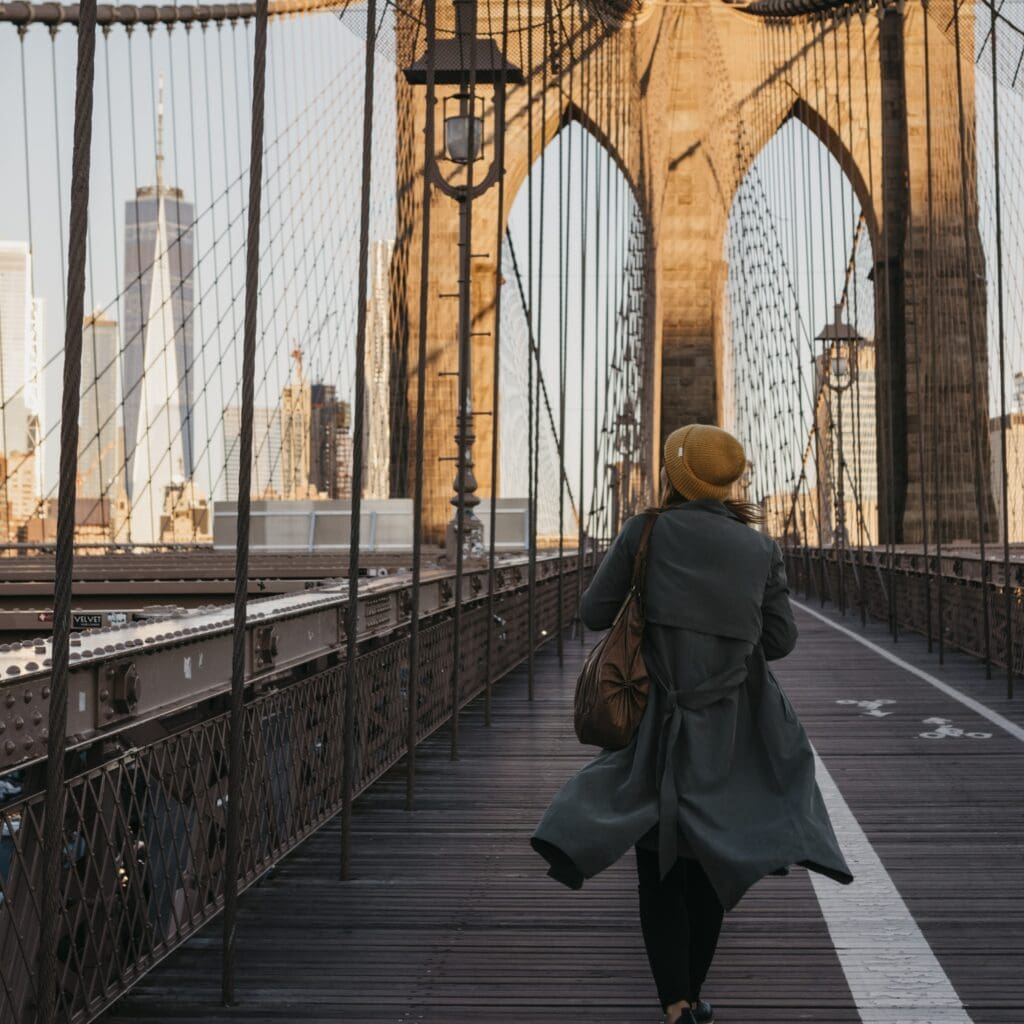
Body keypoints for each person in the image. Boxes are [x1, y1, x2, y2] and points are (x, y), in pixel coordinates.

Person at [530, 423, 853, 1024]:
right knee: (708, 869)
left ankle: (675, 1003)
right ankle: (690, 998)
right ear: (729, 483)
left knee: (658, 871)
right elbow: (780, 640)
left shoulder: (646, 531)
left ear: (675, 477)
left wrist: (652, 603)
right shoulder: (761, 549)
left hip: (655, 725)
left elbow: (594, 612)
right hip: (729, 733)